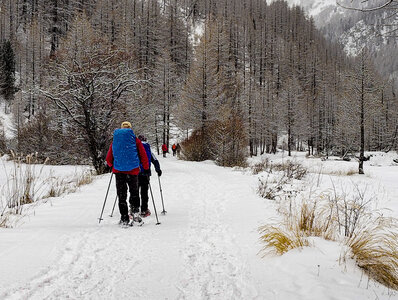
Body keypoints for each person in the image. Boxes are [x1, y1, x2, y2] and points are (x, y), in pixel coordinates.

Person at [106, 121, 149, 226]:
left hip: (119, 171)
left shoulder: (115, 141)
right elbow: (143, 155)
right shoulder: (135, 140)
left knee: (121, 195)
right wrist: (146, 168)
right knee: (134, 193)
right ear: (130, 128)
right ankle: (136, 216)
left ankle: (124, 218)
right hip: (133, 170)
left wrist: (112, 166)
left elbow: (108, 158)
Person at [138, 135, 162, 217]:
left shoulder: (134, 148)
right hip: (145, 173)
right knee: (144, 192)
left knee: (134, 192)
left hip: (135, 173)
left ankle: (134, 209)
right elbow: (155, 160)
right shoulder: (147, 148)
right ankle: (144, 210)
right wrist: (158, 170)